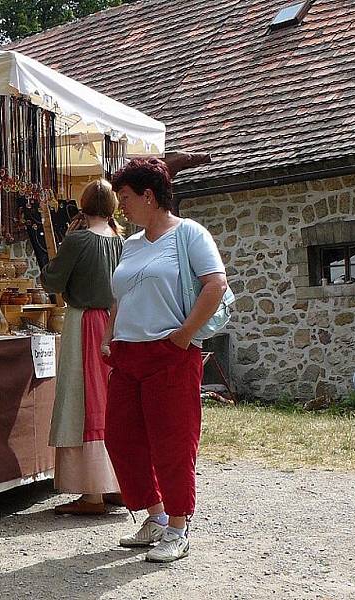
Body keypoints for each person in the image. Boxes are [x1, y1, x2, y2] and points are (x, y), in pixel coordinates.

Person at [102, 158, 228, 562]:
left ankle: (178, 526)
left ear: (149, 196)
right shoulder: (130, 244)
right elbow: (120, 297)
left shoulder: (189, 234)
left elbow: (215, 284)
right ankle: (155, 517)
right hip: (127, 354)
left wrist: (184, 336)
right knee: (121, 438)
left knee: (172, 442)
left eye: (125, 198)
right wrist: (109, 337)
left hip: (169, 354)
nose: (121, 207)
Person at [40, 179, 124, 516]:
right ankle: (115, 483)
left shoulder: (77, 240)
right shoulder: (122, 242)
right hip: (116, 324)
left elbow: (52, 280)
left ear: (83, 205)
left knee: (84, 400)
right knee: (110, 400)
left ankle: (92, 493)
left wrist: (61, 248)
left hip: (85, 323)